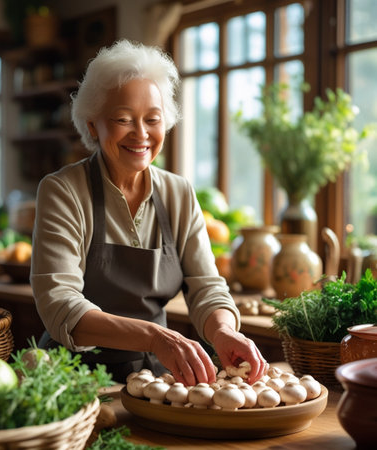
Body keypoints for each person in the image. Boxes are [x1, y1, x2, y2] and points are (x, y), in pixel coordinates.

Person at [31, 39, 268, 386]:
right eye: (123, 119)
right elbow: (60, 305)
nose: (141, 134)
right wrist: (156, 337)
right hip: (72, 380)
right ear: (94, 124)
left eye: (153, 120)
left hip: (156, 378)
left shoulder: (179, 192)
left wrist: (222, 332)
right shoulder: (63, 190)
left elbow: (206, 287)